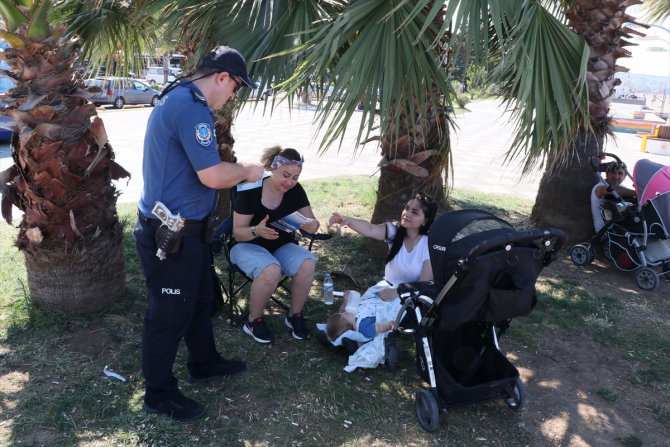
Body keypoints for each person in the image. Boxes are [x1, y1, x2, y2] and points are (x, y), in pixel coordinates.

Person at [133, 45, 265, 422]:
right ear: (222, 77)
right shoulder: (191, 109)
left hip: (186, 233)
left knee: (200, 300)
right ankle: (158, 393)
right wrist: (246, 170)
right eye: (236, 87)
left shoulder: (178, 97)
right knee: (168, 314)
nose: (233, 95)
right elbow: (212, 175)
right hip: (171, 236)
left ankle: (204, 362)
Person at [231, 146, 321, 344]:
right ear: (273, 168)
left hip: (281, 244)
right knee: (271, 270)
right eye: (286, 175)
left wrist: (313, 225)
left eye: (295, 177)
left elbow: (311, 222)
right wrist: (257, 230)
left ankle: (294, 315)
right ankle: (253, 321)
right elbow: (238, 233)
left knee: (307, 263)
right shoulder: (251, 189)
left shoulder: (295, 190)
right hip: (247, 244)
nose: (290, 182)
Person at [328, 192, 438, 299]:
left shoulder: (429, 245)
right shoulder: (395, 231)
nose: (407, 214)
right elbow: (370, 229)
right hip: (385, 289)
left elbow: (423, 285)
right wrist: (347, 220)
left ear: (425, 221)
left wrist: (398, 292)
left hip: (409, 298)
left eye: (414, 212)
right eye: (407, 208)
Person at [591, 162, 637, 232]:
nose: (616, 176)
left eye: (620, 173)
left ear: (625, 176)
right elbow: (613, 189)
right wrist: (636, 193)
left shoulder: (623, 188)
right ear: (606, 174)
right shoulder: (599, 187)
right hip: (606, 232)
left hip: (621, 227)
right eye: (613, 172)